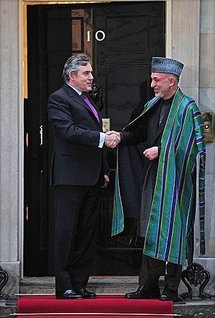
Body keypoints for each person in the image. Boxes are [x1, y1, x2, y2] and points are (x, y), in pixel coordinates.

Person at [109, 57, 206, 301]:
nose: (152, 83)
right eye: (152, 78)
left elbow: (193, 146)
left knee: (172, 230)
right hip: (153, 177)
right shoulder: (152, 104)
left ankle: (171, 289)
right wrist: (121, 137)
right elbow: (140, 132)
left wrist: (162, 151)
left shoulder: (187, 107)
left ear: (171, 81)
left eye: (156, 79)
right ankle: (148, 286)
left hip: (175, 181)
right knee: (149, 228)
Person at [48, 53, 119, 299]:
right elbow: (67, 131)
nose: (91, 77)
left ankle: (79, 284)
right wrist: (103, 138)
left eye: (91, 73)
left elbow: (92, 131)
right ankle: (64, 286)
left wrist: (104, 170)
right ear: (72, 76)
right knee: (67, 233)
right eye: (86, 73)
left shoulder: (88, 99)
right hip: (69, 178)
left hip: (91, 176)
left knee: (86, 234)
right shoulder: (58, 99)